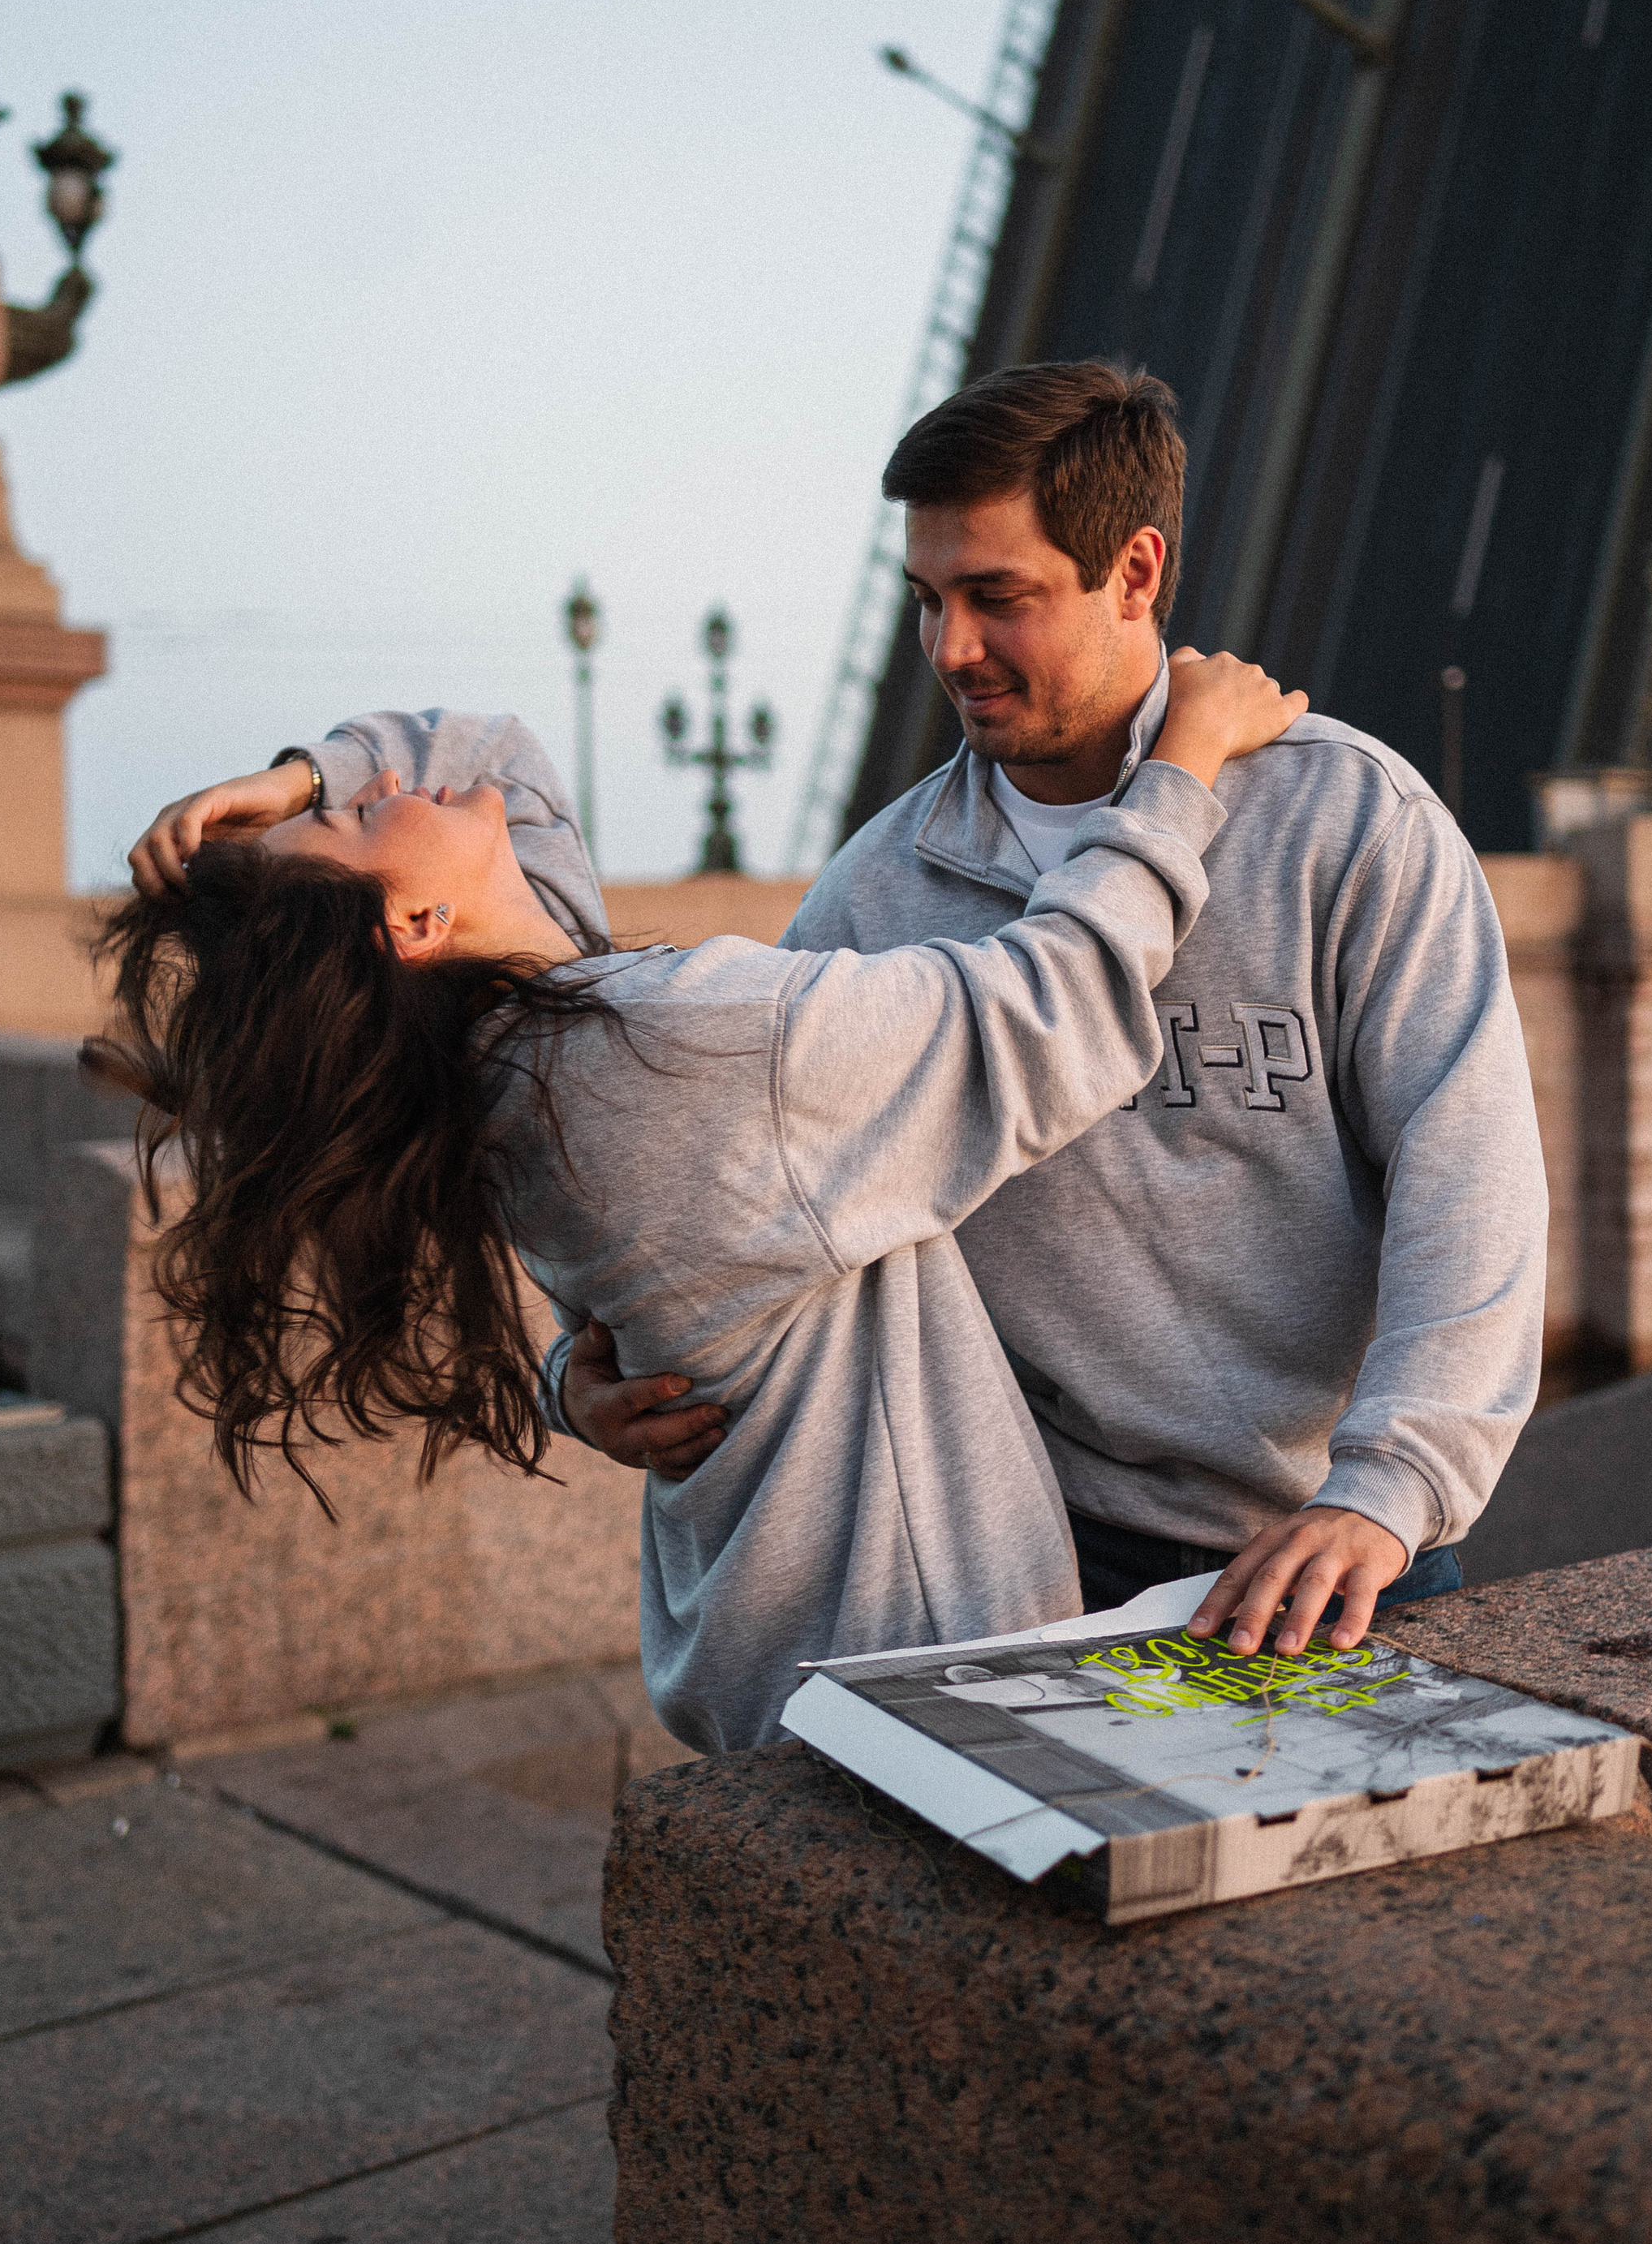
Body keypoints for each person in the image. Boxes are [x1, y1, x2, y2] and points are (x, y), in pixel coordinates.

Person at [113, 652, 1303, 1766]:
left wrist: (296, 780)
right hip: (919, 1676)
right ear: (416, 925)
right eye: (364, 815)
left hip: (764, 1649)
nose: (383, 780)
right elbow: (1051, 1011)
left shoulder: (511, 1055)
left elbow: (502, 767)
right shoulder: (681, 1043)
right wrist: (1179, 771)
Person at [560, 359, 1548, 1664]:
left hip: (1333, 1550)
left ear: (1133, 573)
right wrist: (581, 1370)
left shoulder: (1349, 824)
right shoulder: (879, 890)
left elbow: (1468, 1173)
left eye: (996, 598)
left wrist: (1394, 1485)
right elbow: (736, 1185)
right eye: (927, 600)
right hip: (1017, 1564)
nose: (950, 649)